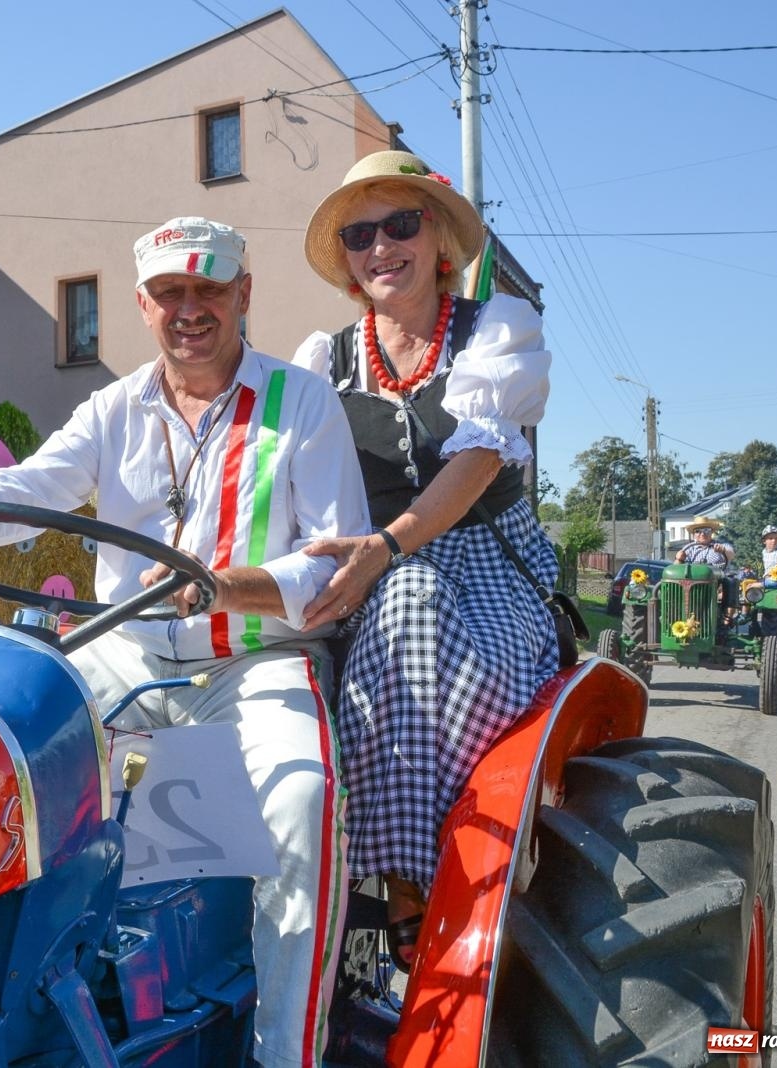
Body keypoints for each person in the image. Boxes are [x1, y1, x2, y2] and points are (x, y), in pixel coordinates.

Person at [0, 216, 371, 1068]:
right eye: (171, 292)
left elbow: (333, 567)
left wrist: (222, 585)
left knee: (303, 803)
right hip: (127, 653)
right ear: (142, 305)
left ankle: (285, 1050)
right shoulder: (115, 406)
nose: (191, 308)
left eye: (210, 288)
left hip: (255, 661)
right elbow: (28, 486)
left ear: (244, 294)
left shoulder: (302, 402)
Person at [287, 149, 556, 973]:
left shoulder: (496, 328)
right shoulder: (320, 360)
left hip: (482, 567)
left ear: (439, 238)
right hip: (359, 567)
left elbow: (478, 461)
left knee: (412, 607)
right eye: (360, 232)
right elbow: (281, 479)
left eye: (401, 223)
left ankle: (420, 896)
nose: (381, 246)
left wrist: (391, 547)